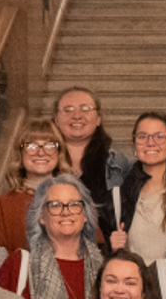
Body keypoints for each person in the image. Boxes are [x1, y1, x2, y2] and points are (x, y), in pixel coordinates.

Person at [0, 175, 104, 299]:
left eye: (74, 204)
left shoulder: (104, 268)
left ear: (85, 215)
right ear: (41, 217)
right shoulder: (17, 265)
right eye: (55, 205)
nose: (66, 212)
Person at [104, 111, 166, 264]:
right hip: (135, 277)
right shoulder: (120, 195)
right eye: (142, 136)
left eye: (159, 136)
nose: (150, 142)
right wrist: (113, 249)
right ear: (135, 143)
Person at [0, 119, 72, 254]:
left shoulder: (77, 200)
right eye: (31, 146)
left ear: (59, 153)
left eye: (49, 146)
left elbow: (93, 253)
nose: (41, 153)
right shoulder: (1, 205)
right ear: (20, 153)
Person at [52, 86, 130, 220]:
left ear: (98, 119)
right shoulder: (41, 162)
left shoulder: (118, 163)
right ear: (56, 120)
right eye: (68, 110)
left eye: (85, 109)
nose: (77, 116)